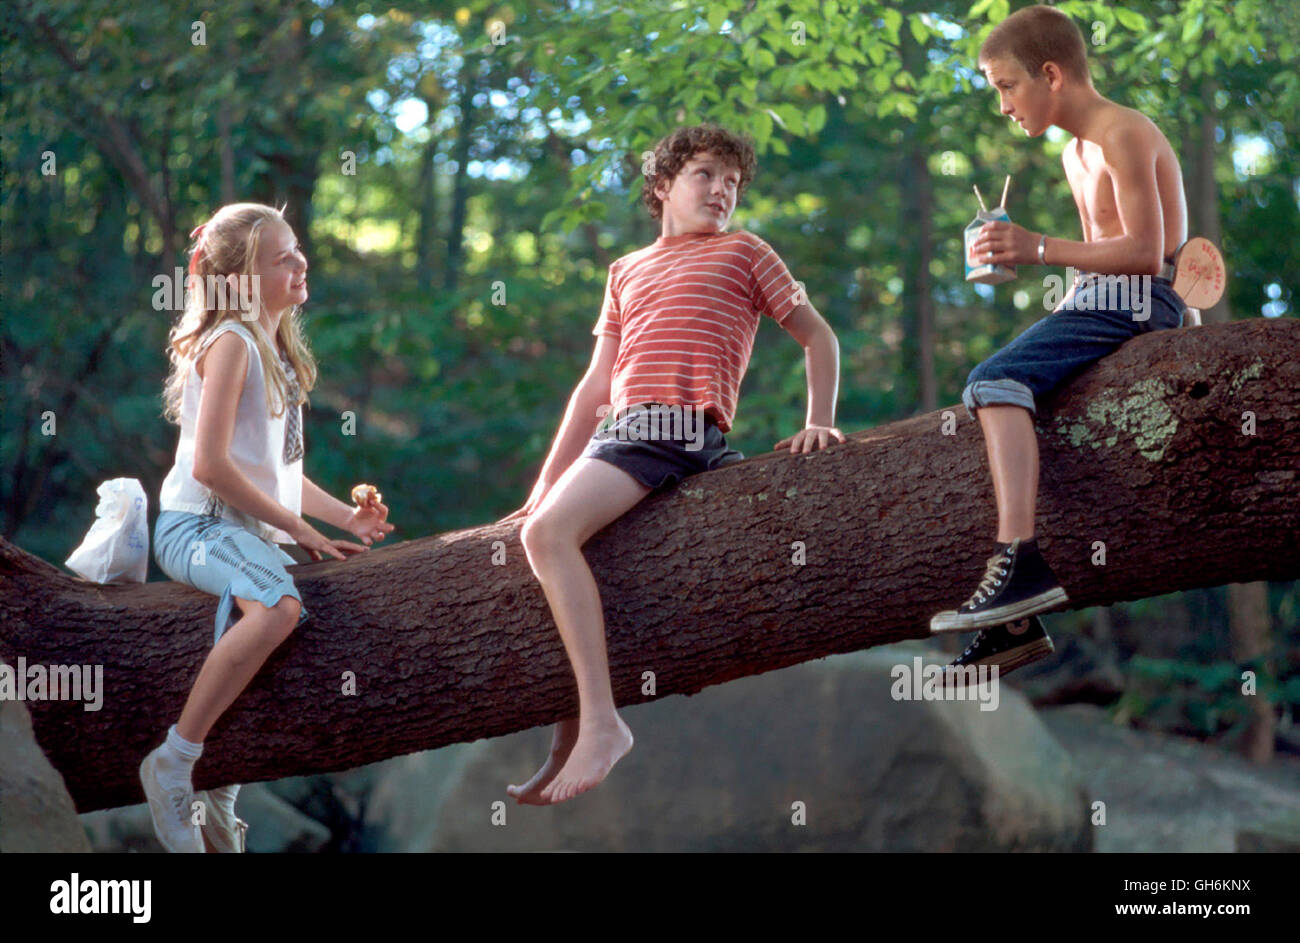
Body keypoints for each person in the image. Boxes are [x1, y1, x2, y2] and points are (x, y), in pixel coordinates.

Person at [501, 125, 846, 805]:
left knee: (545, 538)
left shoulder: (745, 251)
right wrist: (545, 482)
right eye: (706, 175)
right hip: (622, 433)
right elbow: (596, 384)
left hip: (677, 428)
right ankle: (570, 728)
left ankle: (604, 723)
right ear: (662, 186)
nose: (722, 190)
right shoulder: (624, 270)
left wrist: (819, 420)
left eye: (734, 183)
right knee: (554, 539)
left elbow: (818, 334)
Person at [933, 5, 1188, 675]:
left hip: (1143, 299)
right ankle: (1014, 628)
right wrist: (1025, 262)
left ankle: (1017, 561)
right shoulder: (1076, 150)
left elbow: (1145, 251)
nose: (1002, 106)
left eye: (1005, 86)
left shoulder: (1121, 132)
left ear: (1050, 73)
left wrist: (1038, 247)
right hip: (1101, 300)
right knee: (1010, 386)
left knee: (994, 382)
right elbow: (1097, 255)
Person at [141, 203, 394, 852]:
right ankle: (173, 759)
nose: (301, 262)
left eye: (298, 250)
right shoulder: (231, 344)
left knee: (309, 625)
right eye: (282, 258)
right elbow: (212, 466)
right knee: (279, 608)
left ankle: (223, 785)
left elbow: (282, 473)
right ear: (241, 280)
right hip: (196, 525)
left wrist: (344, 517)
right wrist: (296, 530)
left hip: (246, 533)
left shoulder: (275, 350)